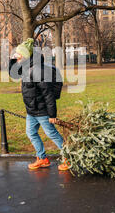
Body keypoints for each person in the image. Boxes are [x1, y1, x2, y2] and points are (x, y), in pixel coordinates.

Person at [9, 38, 70, 171]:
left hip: (42, 111)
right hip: (32, 111)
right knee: (31, 133)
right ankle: (42, 158)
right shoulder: (26, 67)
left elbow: (48, 94)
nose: (17, 56)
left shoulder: (37, 70)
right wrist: (13, 59)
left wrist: (52, 114)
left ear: (25, 56)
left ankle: (68, 158)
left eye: (19, 55)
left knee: (52, 134)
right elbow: (13, 73)